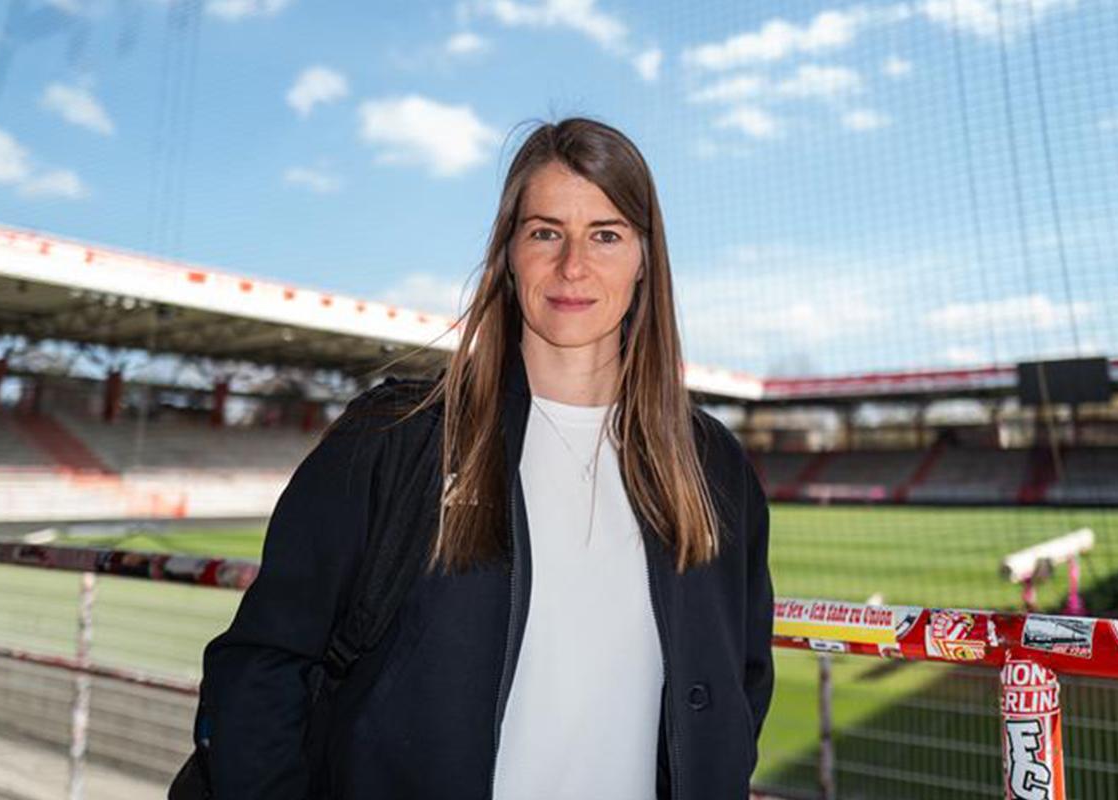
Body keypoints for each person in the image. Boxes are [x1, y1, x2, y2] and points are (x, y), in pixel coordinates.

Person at [195, 116, 774, 800]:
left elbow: (740, 684)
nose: (573, 266)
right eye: (545, 232)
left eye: (607, 234)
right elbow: (262, 668)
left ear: (646, 258)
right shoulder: (399, 438)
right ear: (508, 254)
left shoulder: (713, 469)